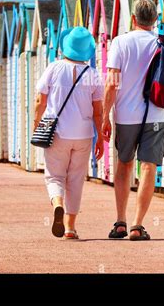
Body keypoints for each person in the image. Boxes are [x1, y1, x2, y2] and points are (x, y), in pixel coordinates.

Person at [102, 0, 164, 241]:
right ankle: (137, 226)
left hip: (126, 116)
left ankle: (120, 221)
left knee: (124, 164)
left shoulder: (120, 42)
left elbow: (111, 84)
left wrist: (105, 117)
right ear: (154, 20)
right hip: (156, 115)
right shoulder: (163, 44)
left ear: (133, 19)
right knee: (149, 166)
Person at [34, 27, 104, 240]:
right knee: (76, 179)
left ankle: (58, 204)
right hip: (83, 135)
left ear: (66, 47)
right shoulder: (92, 74)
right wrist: (100, 137)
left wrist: (37, 125)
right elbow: (98, 111)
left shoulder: (54, 68)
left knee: (55, 175)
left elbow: (40, 101)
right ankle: (70, 228)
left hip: (57, 133)